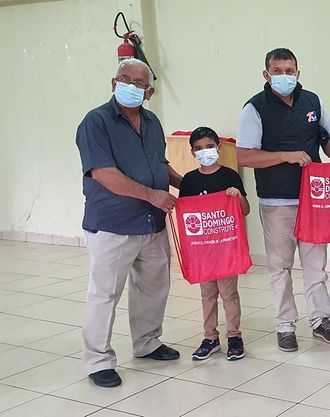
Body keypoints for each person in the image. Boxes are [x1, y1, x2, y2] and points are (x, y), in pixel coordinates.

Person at [236, 48, 330, 351]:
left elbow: (327, 137)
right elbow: (244, 156)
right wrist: (285, 156)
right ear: (266, 75)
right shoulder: (255, 108)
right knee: (280, 266)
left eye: (289, 71)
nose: (284, 76)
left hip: (313, 198)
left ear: (298, 73)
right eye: (277, 71)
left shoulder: (312, 101)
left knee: (316, 265)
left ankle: (321, 320)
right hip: (276, 201)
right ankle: (285, 326)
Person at [75, 58, 183, 388]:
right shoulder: (96, 122)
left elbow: (160, 164)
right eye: (125, 79)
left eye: (139, 83)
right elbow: (102, 173)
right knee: (105, 294)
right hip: (113, 224)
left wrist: (189, 186)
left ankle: (147, 343)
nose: (131, 86)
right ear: (113, 83)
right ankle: (98, 361)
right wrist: (152, 195)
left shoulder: (152, 122)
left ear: (149, 92)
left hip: (152, 224)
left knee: (153, 288)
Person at [179, 127, 250, 361]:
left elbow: (245, 210)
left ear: (218, 147)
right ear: (193, 152)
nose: (204, 152)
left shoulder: (230, 176)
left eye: (209, 147)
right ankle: (210, 338)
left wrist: (237, 197)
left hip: (226, 248)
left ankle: (234, 336)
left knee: (229, 294)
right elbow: (185, 215)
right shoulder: (189, 181)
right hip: (202, 250)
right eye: (199, 149)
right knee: (207, 295)